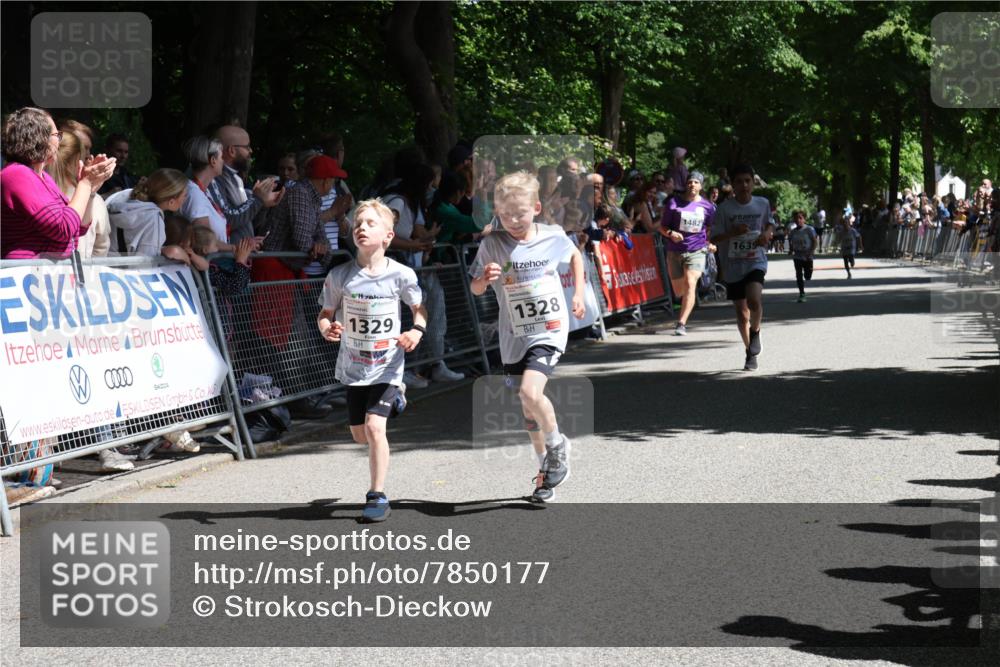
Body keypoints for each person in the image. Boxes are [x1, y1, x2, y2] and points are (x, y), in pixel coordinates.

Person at [469, 172, 586, 503]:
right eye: (504, 215)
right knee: (527, 408)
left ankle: (558, 445)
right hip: (513, 334)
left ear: (535, 208)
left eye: (519, 213)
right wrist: (484, 279)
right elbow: (475, 288)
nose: (512, 221)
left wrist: (578, 293)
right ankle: (544, 476)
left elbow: (576, 255)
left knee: (529, 391)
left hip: (548, 328)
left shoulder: (551, 235)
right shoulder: (492, 243)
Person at [317, 199, 427, 522]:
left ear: (389, 236)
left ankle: (377, 495)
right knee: (359, 434)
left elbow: (419, 308)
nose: (362, 227)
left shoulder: (401, 275)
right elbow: (324, 314)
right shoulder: (340, 276)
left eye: (370, 223)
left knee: (374, 427)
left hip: (388, 366)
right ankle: (397, 401)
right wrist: (328, 328)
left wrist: (417, 331)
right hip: (354, 367)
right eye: (358, 224)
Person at [2, 107, 116, 259]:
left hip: (47, 276)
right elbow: (63, 229)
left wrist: (91, 191)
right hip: (26, 276)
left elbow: (78, 227)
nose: (59, 142)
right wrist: (85, 184)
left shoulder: (43, 177)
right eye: (57, 135)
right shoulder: (16, 175)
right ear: (39, 139)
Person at [710, 163, 774, 371]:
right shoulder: (724, 209)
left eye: (747, 181)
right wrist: (733, 233)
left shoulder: (762, 203)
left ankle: (755, 332)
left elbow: (769, 224)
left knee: (754, 300)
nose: (744, 185)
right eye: (739, 181)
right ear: (733, 184)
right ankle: (749, 351)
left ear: (753, 182)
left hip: (755, 259)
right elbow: (714, 237)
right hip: (733, 264)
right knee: (741, 312)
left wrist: (766, 234)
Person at [659, 171, 716, 335]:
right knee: (679, 291)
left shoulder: (708, 207)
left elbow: (709, 228)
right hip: (674, 251)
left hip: (696, 250)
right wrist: (671, 234)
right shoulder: (674, 203)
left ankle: (681, 323)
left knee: (691, 283)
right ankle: (687, 300)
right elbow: (662, 227)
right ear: (686, 185)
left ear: (701, 186)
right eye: (690, 182)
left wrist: (709, 243)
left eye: (696, 182)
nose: (693, 185)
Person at [209, 125, 283, 243]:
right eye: (247, 146)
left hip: (240, 256)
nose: (251, 151)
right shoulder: (213, 177)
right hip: (224, 257)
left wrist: (262, 205)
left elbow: (248, 222)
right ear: (232, 150)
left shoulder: (236, 178)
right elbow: (226, 221)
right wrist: (257, 199)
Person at [46, 128, 111, 259]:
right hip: (82, 276)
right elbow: (102, 246)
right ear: (78, 161)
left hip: (36, 275)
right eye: (85, 149)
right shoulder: (95, 200)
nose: (88, 155)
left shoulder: (33, 193)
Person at [105, 168, 188, 256]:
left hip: (101, 262)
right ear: (171, 202)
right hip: (121, 268)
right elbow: (147, 262)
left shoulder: (123, 196)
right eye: (184, 195)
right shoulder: (154, 221)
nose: (185, 199)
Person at [180, 135, 229, 242]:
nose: (223, 162)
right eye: (222, 157)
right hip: (213, 258)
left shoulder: (201, 191)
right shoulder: (194, 193)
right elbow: (205, 243)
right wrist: (238, 249)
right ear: (213, 160)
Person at [787, 210, 817, 302]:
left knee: (807, 276)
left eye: (800, 218)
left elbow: (814, 241)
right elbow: (790, 241)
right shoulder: (792, 232)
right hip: (797, 256)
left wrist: (811, 252)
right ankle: (802, 293)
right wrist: (791, 250)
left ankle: (809, 272)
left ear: (804, 219)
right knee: (799, 275)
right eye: (796, 218)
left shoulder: (809, 229)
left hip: (808, 255)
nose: (798, 220)